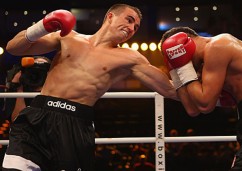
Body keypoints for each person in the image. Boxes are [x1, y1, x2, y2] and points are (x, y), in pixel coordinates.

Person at [2, 4, 177, 171]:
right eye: (129, 20)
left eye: (136, 27)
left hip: (73, 123)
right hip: (36, 117)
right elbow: (13, 48)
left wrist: (184, 70)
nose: (131, 28)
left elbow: (169, 90)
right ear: (110, 16)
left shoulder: (130, 58)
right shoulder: (68, 37)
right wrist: (42, 26)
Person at [160, 26, 242, 171]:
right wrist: (176, 70)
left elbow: (205, 105)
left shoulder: (218, 45)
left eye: (173, 54)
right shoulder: (206, 64)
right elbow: (192, 109)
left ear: (184, 45)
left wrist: (184, 67)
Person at [4, 56, 51, 122]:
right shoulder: (16, 91)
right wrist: (19, 88)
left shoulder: (57, 91)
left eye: (42, 71)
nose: (37, 75)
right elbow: (16, 120)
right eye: (34, 70)